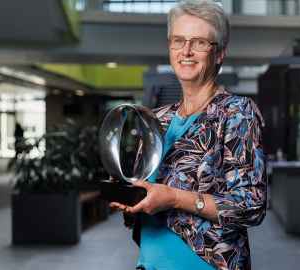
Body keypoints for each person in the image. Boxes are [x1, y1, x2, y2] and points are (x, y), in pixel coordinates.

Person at [110, 1, 267, 269]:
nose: (186, 51)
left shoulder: (237, 113)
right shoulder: (157, 118)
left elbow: (252, 206)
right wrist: (133, 201)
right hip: (150, 261)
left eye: (199, 42)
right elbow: (148, 188)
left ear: (219, 54)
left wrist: (173, 198)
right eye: (178, 40)